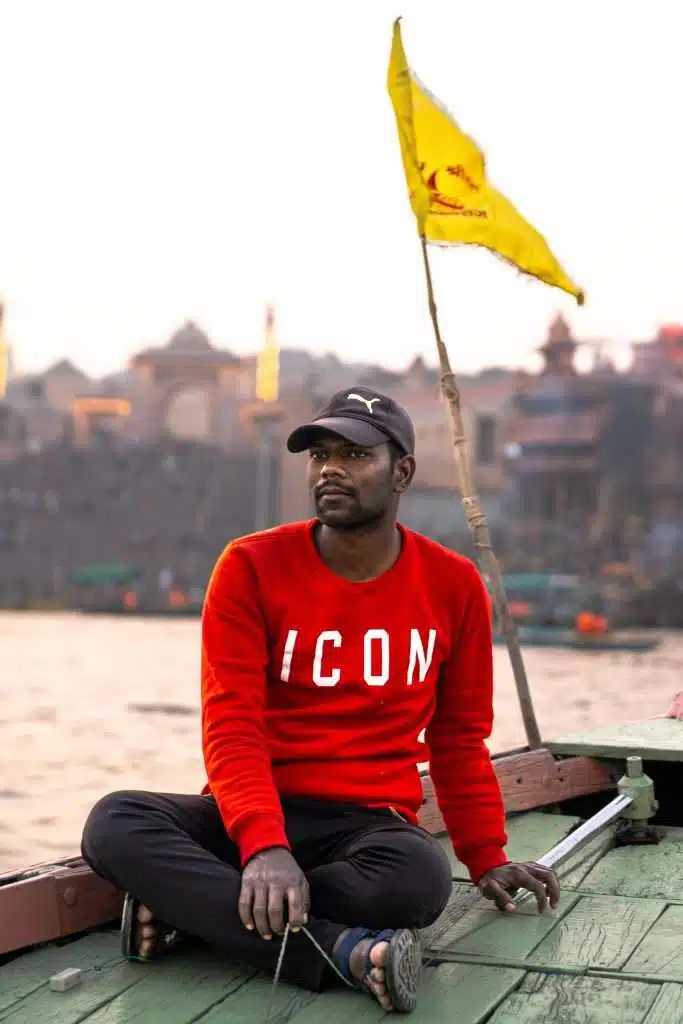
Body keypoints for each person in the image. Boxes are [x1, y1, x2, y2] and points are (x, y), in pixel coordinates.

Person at [81, 385, 559, 1014]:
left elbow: (458, 738)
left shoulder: (454, 586)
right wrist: (262, 843)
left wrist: (487, 855)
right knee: (115, 822)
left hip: (365, 826)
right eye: (319, 454)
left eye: (355, 454)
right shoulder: (250, 566)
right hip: (251, 809)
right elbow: (232, 724)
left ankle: (192, 915)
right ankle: (341, 952)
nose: (331, 467)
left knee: (419, 882)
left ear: (402, 473)